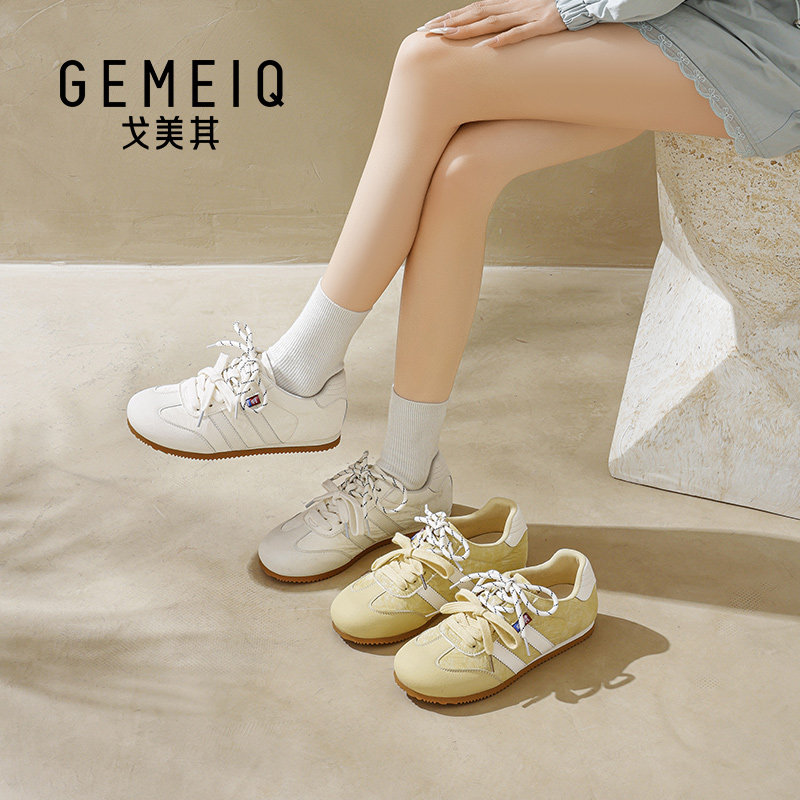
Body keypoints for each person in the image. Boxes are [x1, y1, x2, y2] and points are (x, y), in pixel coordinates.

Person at [127, 0, 800, 582]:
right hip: (672, 24)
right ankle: (409, 476)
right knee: (461, 170)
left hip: (757, 42)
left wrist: (570, 11)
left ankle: (298, 377)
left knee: (427, 62)